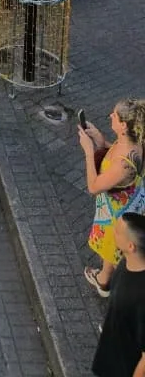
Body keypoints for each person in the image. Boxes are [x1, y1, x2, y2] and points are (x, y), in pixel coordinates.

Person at [79, 98, 145, 297]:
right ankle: (105, 278)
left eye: (115, 115)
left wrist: (89, 152)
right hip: (131, 202)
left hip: (116, 213)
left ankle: (108, 284)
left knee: (113, 245)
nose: (110, 116)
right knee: (113, 247)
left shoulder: (123, 165)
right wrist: (101, 142)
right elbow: (115, 155)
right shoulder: (134, 142)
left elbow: (94, 187)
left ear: (123, 125)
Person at [91, 212, 145, 377]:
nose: (113, 231)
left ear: (131, 246)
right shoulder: (125, 262)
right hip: (112, 350)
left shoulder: (141, 296)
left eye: (117, 231)